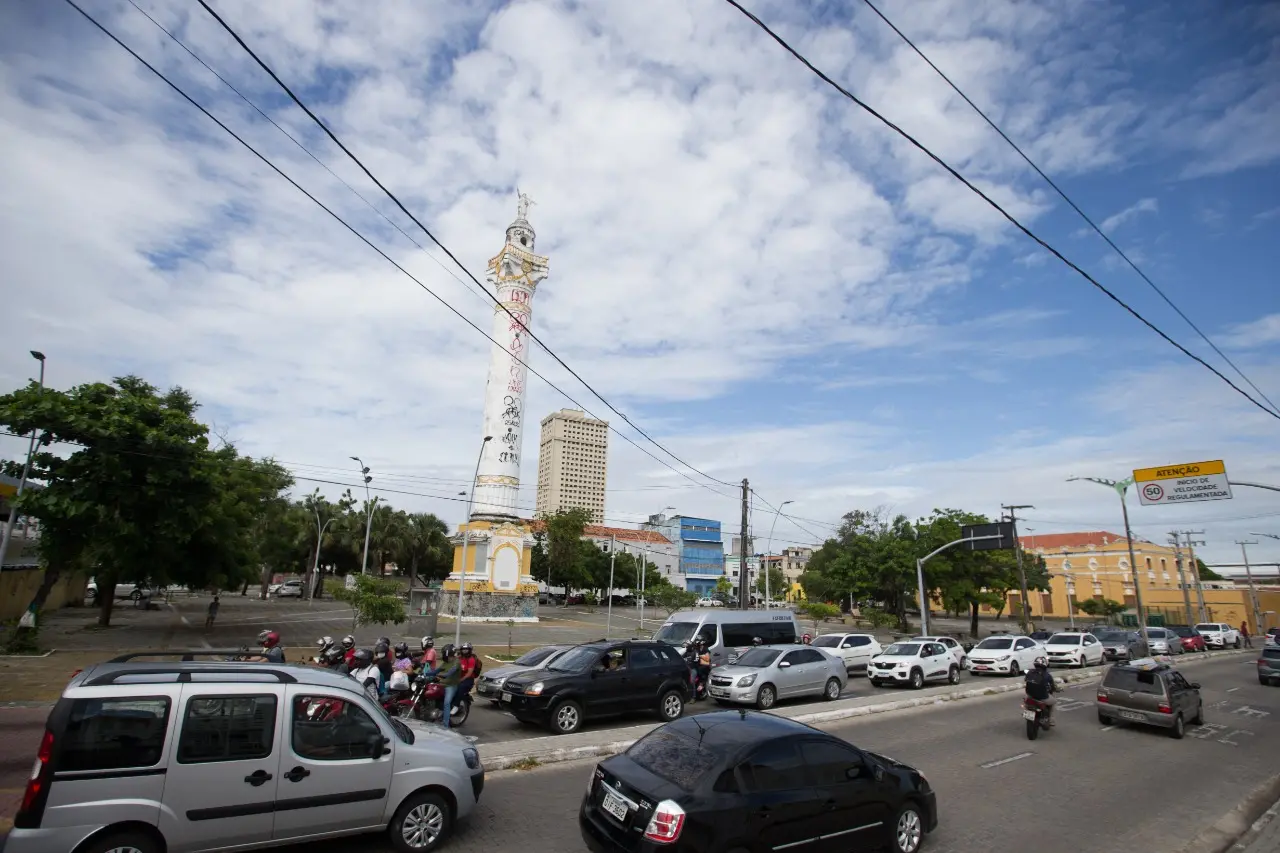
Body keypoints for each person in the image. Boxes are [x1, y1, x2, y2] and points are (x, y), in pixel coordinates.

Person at [1024, 655, 1057, 726]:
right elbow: (1052, 686)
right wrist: (1055, 689)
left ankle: (1027, 713)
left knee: (1026, 701)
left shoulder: (1029, 672)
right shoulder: (1047, 675)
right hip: (1042, 696)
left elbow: (1026, 680)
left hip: (1030, 695)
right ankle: (1050, 720)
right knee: (1053, 702)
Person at [435, 644, 463, 728]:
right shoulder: (446, 662)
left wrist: (441, 675)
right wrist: (425, 673)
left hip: (451, 685)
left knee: (446, 703)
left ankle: (445, 725)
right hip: (443, 683)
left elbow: (449, 673)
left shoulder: (456, 662)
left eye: (444, 653)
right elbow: (437, 670)